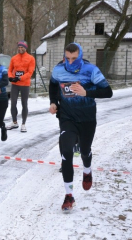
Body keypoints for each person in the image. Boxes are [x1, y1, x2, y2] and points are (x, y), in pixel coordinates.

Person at [49, 43, 112, 212]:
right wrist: (54, 102)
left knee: (85, 150)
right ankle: (69, 196)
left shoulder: (91, 70)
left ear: (80, 55)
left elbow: (108, 92)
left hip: (87, 118)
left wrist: (87, 93)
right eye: (67, 58)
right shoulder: (59, 69)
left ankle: (87, 170)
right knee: (67, 151)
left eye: (74, 58)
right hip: (67, 118)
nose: (70, 62)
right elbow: (53, 85)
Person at [6, 40, 35, 132]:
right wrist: (10, 77)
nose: (20, 49)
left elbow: (30, 73)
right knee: (13, 103)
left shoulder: (31, 58)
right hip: (15, 85)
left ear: (25, 48)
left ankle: (23, 124)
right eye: (19, 47)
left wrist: (20, 78)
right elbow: (10, 70)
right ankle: (14, 122)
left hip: (25, 84)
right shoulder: (14, 58)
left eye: (22, 47)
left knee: (24, 103)